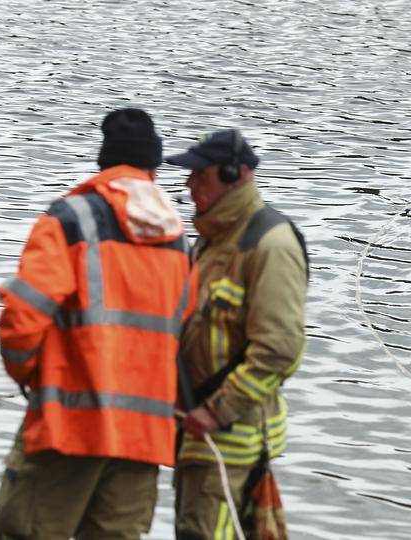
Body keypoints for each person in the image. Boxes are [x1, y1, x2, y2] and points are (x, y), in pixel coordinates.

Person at [0, 108, 195, 540]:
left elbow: (23, 318)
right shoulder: (177, 238)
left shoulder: (69, 218)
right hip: (144, 436)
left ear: (104, 163)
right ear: (154, 168)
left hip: (71, 427)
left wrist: (28, 375)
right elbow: (190, 333)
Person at [165, 129, 308, 540]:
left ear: (236, 174)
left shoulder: (271, 244)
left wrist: (215, 410)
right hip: (198, 430)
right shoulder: (211, 241)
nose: (189, 184)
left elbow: (280, 350)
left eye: (200, 175)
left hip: (229, 432)